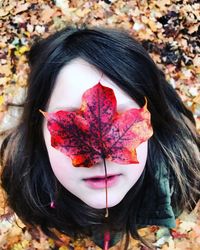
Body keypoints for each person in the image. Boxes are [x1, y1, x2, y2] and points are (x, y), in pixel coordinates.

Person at [0, 26, 199, 250]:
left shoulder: (178, 179)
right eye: (69, 122)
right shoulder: (28, 186)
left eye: (124, 116)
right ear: (38, 132)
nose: (101, 160)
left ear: (154, 119)